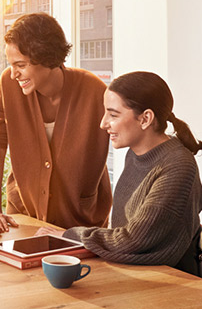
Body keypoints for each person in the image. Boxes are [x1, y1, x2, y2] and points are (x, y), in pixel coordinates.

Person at [43, 71, 202, 276]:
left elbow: (132, 240)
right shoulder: (135, 154)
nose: (103, 123)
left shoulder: (178, 167)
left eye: (113, 114)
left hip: (172, 286)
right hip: (132, 275)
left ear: (145, 118)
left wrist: (71, 234)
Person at [0, 12, 112, 232]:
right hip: (23, 218)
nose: (14, 74)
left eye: (21, 65)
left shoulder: (95, 92)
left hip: (80, 223)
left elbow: (129, 133)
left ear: (46, 57)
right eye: (11, 65)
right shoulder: (7, 86)